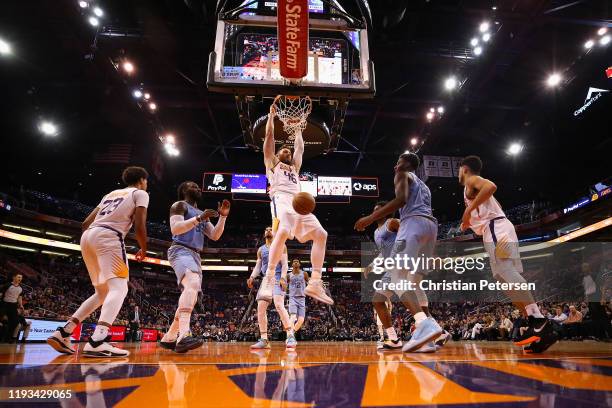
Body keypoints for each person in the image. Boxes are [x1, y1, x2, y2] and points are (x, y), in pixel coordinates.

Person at [47, 166, 149, 357]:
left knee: (102, 293)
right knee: (120, 288)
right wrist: (144, 248)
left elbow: (85, 223)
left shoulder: (110, 194)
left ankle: (64, 332)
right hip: (109, 237)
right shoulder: (140, 193)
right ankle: (98, 340)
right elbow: (140, 225)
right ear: (142, 180)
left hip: (88, 237)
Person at [458, 155, 556, 353]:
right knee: (503, 279)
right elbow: (497, 206)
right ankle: (537, 325)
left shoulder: (471, 180)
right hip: (495, 230)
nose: (458, 174)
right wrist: (470, 220)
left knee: (506, 272)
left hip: (497, 230)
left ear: (465, 169)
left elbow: (491, 187)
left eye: (459, 170)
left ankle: (538, 319)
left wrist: (469, 211)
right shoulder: (472, 189)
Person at [355, 152, 442, 353]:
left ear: (406, 163)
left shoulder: (402, 173)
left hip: (412, 224)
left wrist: (369, 218)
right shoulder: (424, 185)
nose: (396, 165)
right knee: (409, 283)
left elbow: (401, 200)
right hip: (430, 227)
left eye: (398, 162)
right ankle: (426, 339)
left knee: (398, 278)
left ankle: (424, 323)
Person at [259, 103, 333, 305]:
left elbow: (300, 147)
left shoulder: (295, 168)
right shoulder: (272, 164)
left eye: (288, 151)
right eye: (284, 150)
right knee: (282, 230)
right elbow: (269, 140)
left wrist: (300, 127)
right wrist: (271, 119)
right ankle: (268, 278)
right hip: (281, 200)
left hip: (298, 201)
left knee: (321, 234)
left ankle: (315, 281)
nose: (287, 152)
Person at [160, 181, 230, 353]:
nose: (197, 188)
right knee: (191, 284)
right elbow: (175, 229)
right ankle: (184, 335)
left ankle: (169, 337)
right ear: (183, 190)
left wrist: (222, 217)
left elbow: (214, 235)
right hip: (180, 249)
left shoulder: (201, 213)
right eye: (192, 186)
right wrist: (199, 218)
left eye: (198, 186)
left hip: (195, 255)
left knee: (190, 294)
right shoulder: (179, 205)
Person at [247, 227, 295, 349]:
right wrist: (252, 277)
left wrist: (284, 278)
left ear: (274, 232)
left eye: (270, 229)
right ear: (264, 234)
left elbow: (285, 264)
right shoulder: (260, 249)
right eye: (266, 229)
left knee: (279, 305)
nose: (268, 230)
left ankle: (290, 335)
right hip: (266, 279)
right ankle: (264, 339)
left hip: (278, 277)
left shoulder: (281, 246)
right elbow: (258, 266)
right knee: (260, 308)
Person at [1, 273, 23, 343]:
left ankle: (7, 338)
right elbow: (1, 293)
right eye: (18, 277)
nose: (20, 279)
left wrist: (21, 305)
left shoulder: (21, 288)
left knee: (15, 322)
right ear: (14, 277)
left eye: (21, 278)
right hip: (4, 304)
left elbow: (20, 297)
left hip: (13, 306)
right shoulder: (7, 285)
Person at [287, 259, 309, 333]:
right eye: (294, 262)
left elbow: (309, 283)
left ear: (299, 264)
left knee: (301, 320)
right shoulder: (289, 275)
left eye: (297, 261)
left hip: (302, 298)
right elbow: (284, 285)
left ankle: (292, 332)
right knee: (293, 317)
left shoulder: (304, 274)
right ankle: (290, 335)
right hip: (293, 297)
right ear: (292, 265)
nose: (296, 262)